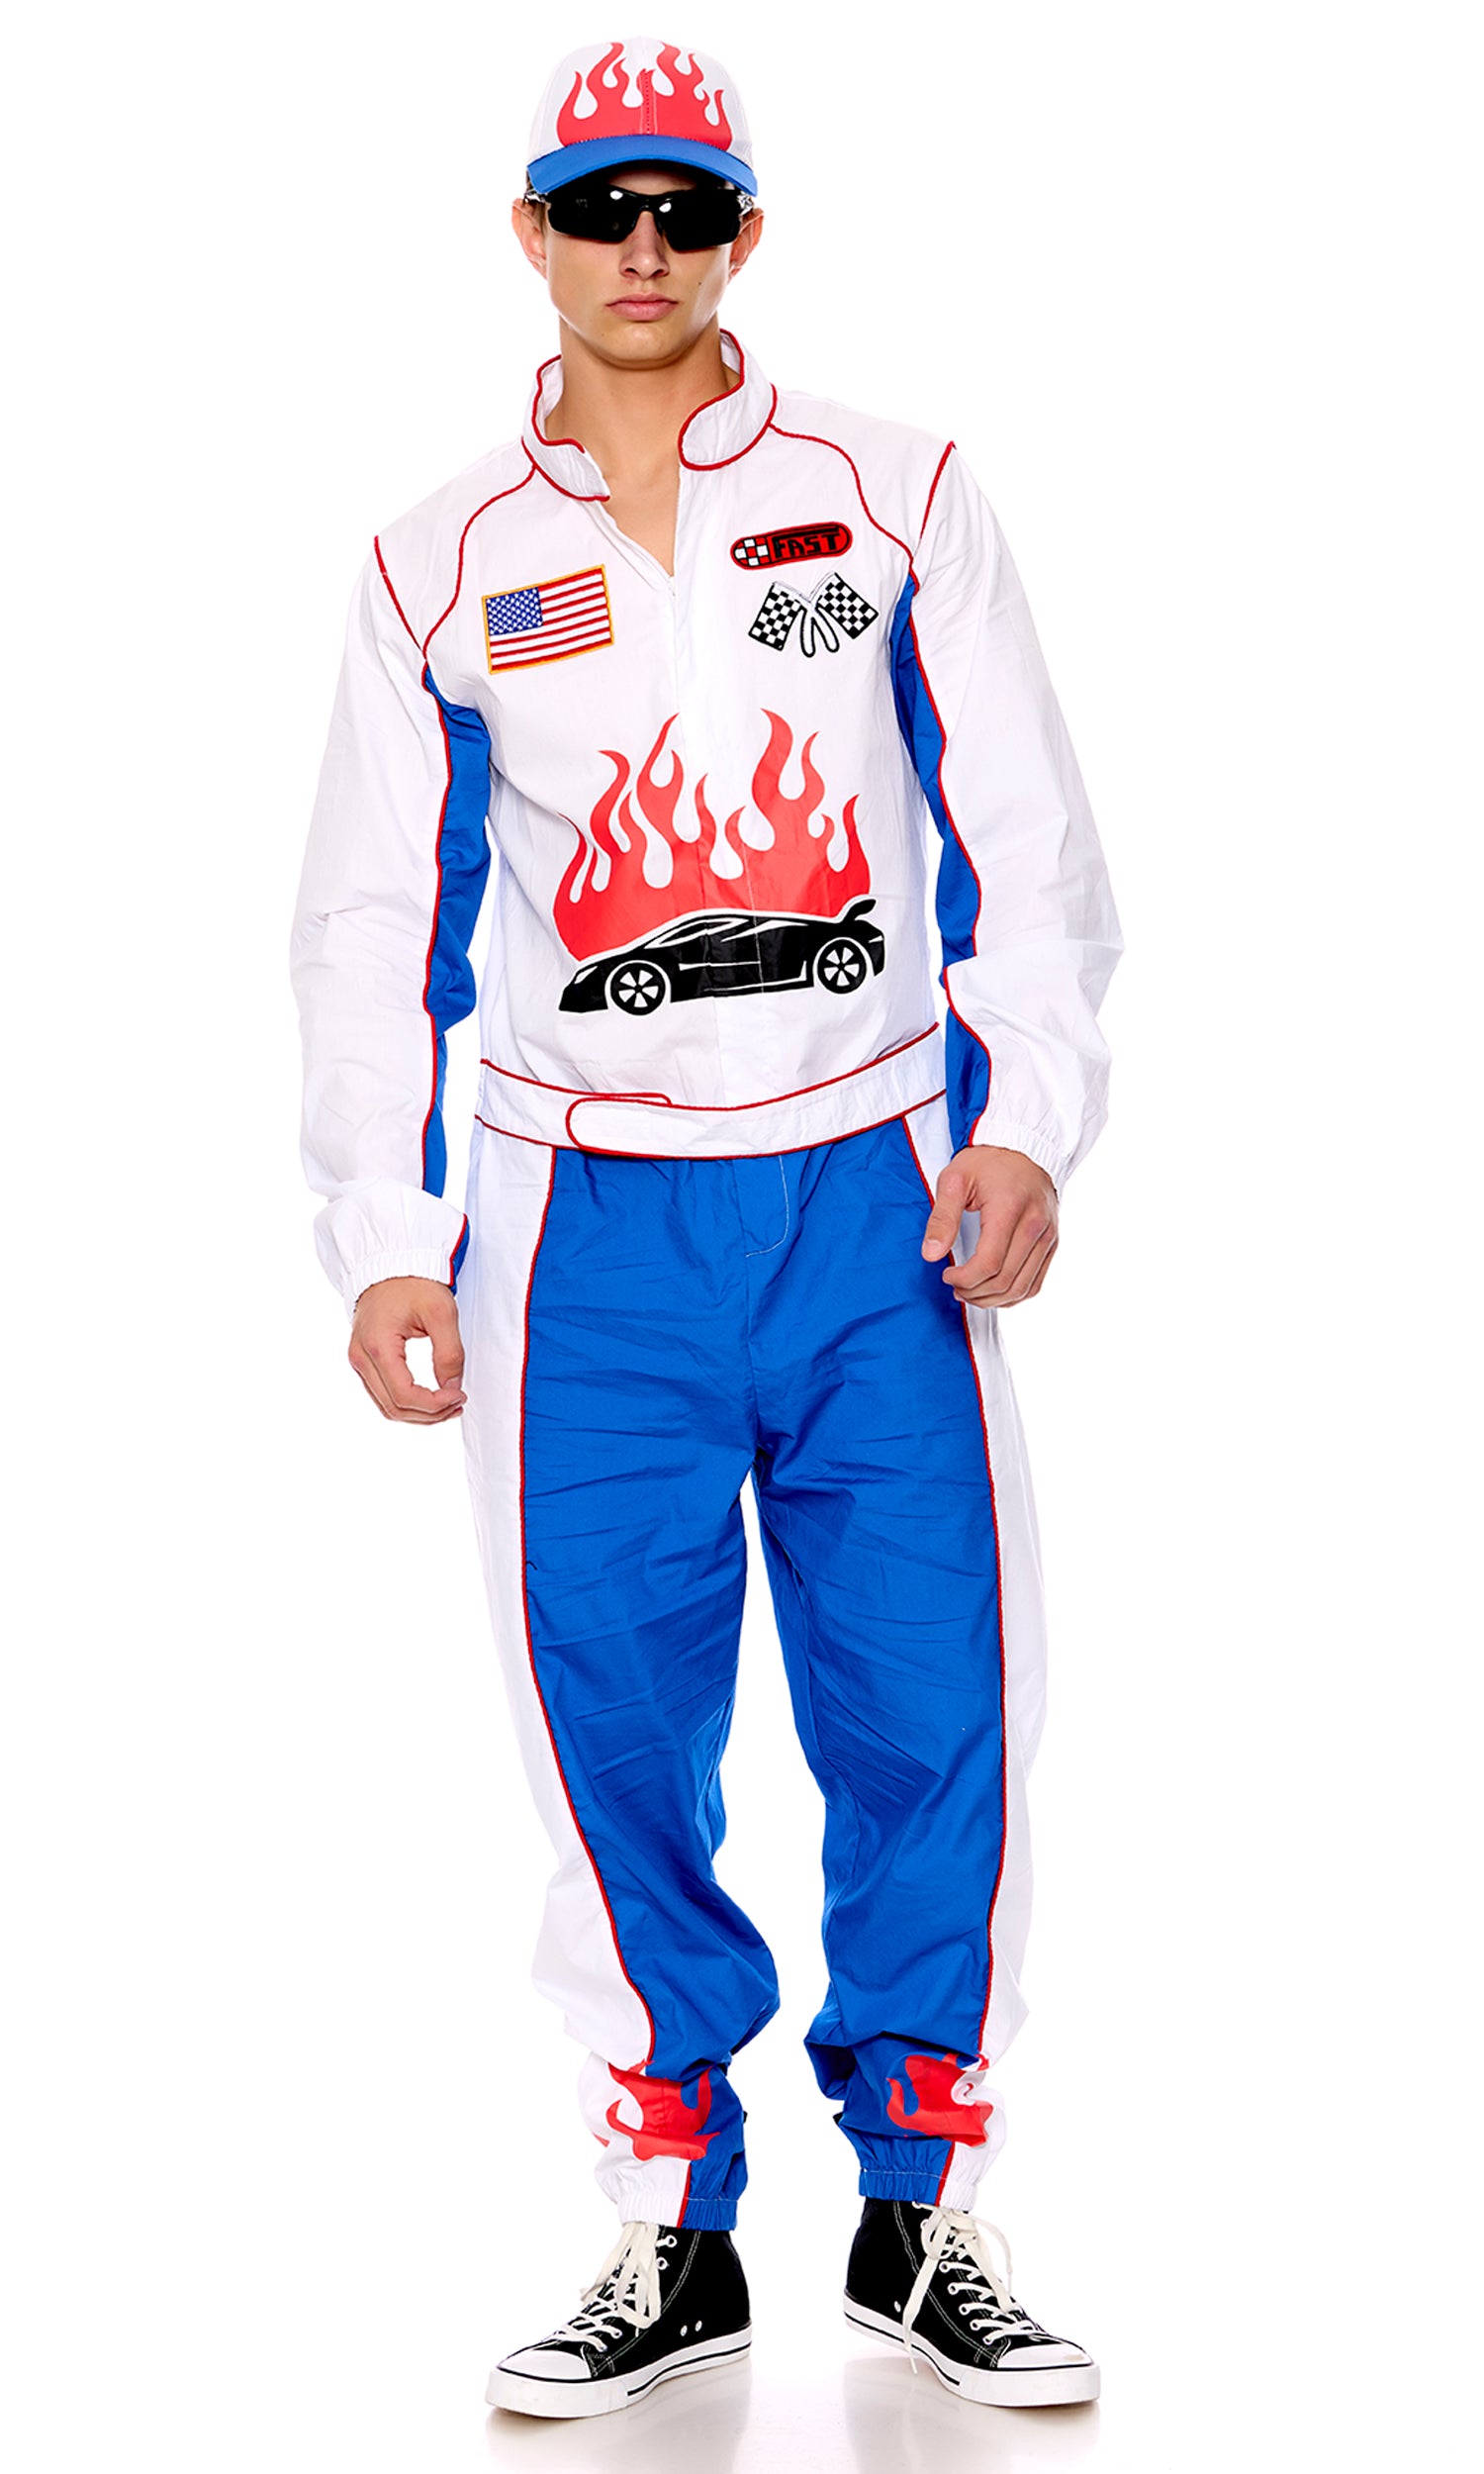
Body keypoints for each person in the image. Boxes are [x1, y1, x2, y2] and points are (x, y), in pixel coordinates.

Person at [291, 33, 1121, 2422]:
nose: (640, 247)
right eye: (599, 205)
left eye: (684, 206)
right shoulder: (440, 561)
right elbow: (372, 918)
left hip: (876, 1199)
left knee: (933, 1699)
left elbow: (1025, 835)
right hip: (582, 1228)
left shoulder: (894, 493)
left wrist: (1029, 1117)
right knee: (611, 1720)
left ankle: (921, 2210)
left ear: (744, 231)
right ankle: (669, 2224)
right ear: (532, 230)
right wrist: (385, 1228)